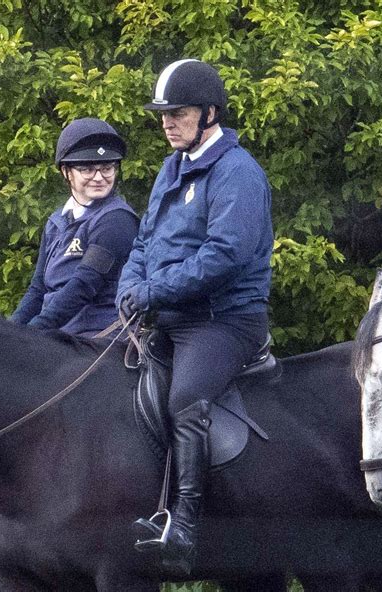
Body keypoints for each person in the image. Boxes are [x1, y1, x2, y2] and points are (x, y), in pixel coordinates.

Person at [116, 59, 273, 574]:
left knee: (186, 398)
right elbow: (144, 242)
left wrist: (154, 291)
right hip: (172, 316)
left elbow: (224, 255)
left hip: (224, 320)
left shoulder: (238, 172)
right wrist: (129, 288)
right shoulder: (172, 168)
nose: (166, 123)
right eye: (162, 114)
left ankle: (184, 525)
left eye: (177, 113)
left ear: (209, 113)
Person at [11, 118, 139, 337]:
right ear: (66, 172)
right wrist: (9, 330)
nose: (99, 177)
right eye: (87, 169)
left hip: (97, 336)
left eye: (107, 168)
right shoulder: (56, 222)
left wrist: (33, 333)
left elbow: (84, 286)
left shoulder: (116, 220)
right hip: (59, 335)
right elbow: (38, 289)